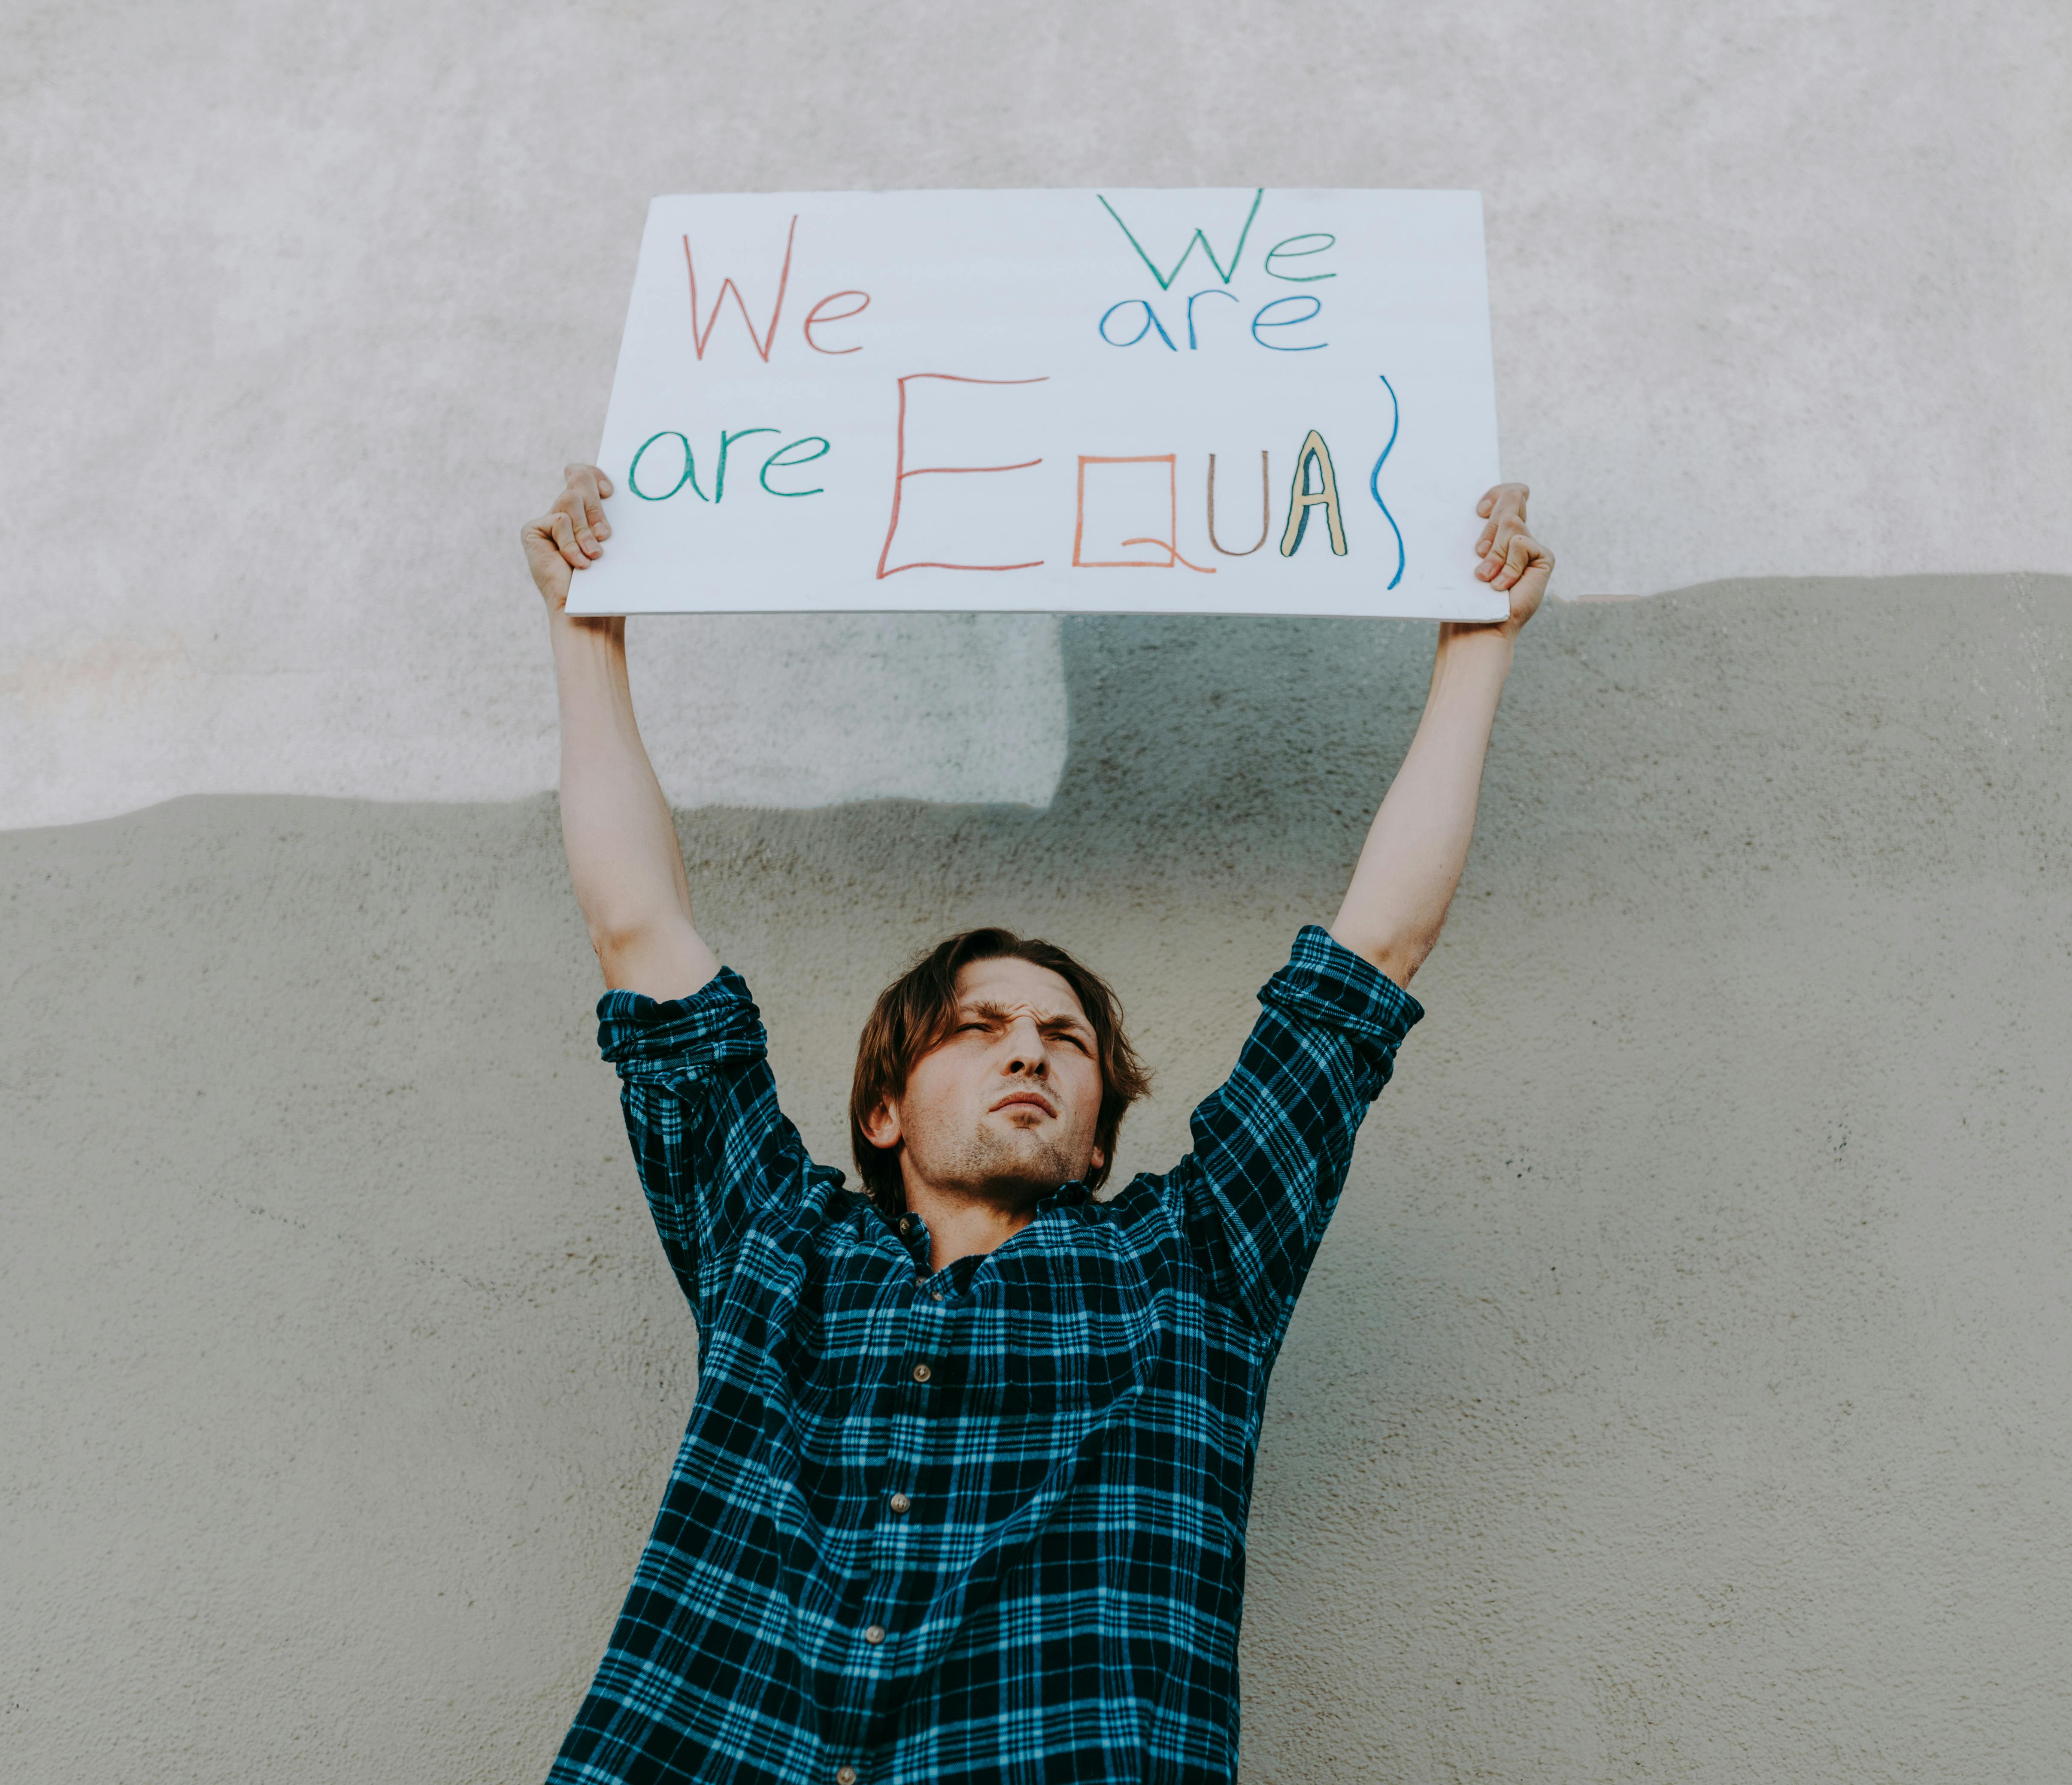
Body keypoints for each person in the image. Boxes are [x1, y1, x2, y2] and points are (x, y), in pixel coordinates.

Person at [519, 462, 1554, 1784]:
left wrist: (1478, 646)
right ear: (884, 1110)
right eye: (980, 1026)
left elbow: (1375, 953)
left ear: (1100, 1139)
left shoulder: (1195, 1268)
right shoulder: (772, 1248)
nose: (1030, 1049)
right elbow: (637, 928)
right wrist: (585, 630)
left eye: (1066, 1041)